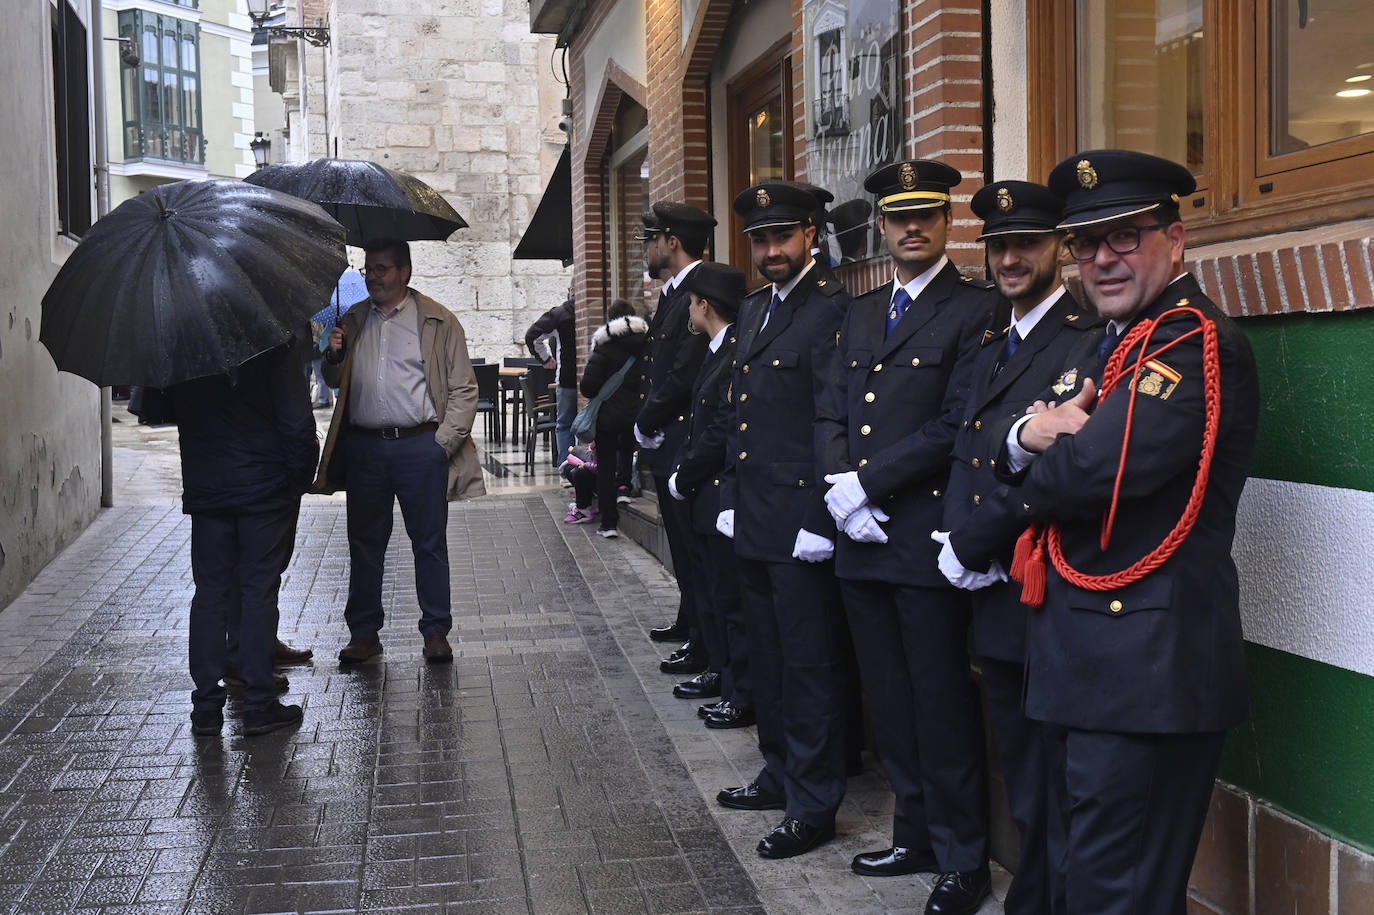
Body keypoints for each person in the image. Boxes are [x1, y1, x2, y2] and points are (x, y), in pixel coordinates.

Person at [939, 150, 1259, 913]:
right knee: (1091, 880)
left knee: (1118, 892)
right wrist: (1030, 432)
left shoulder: (1188, 340)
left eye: (1126, 236)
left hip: (1143, 670)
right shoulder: (1120, 339)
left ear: (1175, 240)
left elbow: (1092, 472)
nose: (1103, 259)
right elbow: (1038, 449)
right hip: (1093, 663)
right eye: (1086, 242)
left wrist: (1040, 443)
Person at [819, 158, 1004, 914]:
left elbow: (955, 419)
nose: (912, 228)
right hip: (861, 538)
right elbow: (829, 409)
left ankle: (964, 855)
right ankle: (916, 831)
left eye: (926, 215)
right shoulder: (861, 312)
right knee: (890, 701)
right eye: (899, 218)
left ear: (947, 221)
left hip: (923, 536)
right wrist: (840, 490)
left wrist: (869, 484)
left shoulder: (976, 308)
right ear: (883, 227)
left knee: (939, 701)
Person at [943, 179, 1101, 915]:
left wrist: (978, 538)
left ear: (1060, 249)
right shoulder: (990, 340)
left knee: (1057, 775)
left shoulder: (1086, 336)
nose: (1009, 258)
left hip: (1046, 587)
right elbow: (966, 448)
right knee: (1023, 767)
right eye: (999, 246)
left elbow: (1060, 467)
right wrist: (958, 539)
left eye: (1026, 244)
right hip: (993, 587)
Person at [714, 181, 852, 860]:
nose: (770, 250)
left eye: (782, 237)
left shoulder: (831, 311)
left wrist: (820, 517)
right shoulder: (753, 310)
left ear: (809, 236)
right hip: (756, 516)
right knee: (766, 658)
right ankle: (780, 769)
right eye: (760, 240)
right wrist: (732, 496)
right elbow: (746, 416)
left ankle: (814, 801)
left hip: (801, 518)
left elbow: (836, 421)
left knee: (809, 665)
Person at [317, 239, 486, 665]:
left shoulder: (437, 320)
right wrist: (333, 354)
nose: (373, 277)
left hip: (420, 446)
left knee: (428, 543)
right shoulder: (352, 320)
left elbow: (464, 387)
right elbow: (335, 378)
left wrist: (441, 444)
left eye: (382, 269)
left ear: (404, 272)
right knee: (365, 544)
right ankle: (364, 634)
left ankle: (435, 630)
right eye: (369, 270)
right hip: (366, 449)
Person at [168, 340, 318, 737]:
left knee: (210, 594)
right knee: (257, 590)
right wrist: (299, 478)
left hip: (208, 487)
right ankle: (258, 703)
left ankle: (205, 708)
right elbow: (297, 423)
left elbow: (162, 409)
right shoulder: (272, 340)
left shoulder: (182, 342)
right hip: (264, 488)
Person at [665, 262, 752, 725]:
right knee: (715, 597)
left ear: (705, 306)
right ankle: (721, 674)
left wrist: (684, 474)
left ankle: (737, 689)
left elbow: (720, 429)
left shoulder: (734, 352)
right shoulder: (717, 349)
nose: (688, 313)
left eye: (692, 304)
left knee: (730, 603)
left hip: (717, 494)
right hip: (705, 496)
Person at [632, 202, 717, 662]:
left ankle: (705, 642)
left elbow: (683, 374)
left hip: (685, 438)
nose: (646, 249)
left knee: (693, 547)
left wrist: (645, 422)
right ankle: (691, 621)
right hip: (669, 438)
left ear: (671, 242)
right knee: (683, 547)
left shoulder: (701, 290)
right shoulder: (673, 293)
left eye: (650, 239)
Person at [580, 299, 650, 538]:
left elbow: (588, 387)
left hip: (609, 416)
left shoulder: (605, 346)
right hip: (639, 413)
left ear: (611, 320)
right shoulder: (647, 344)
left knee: (606, 466)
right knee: (628, 449)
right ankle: (625, 487)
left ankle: (609, 523)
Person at [525, 296, 577, 464]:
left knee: (565, 426)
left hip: (567, 378)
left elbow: (532, 336)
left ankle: (567, 468)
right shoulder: (600, 305)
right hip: (597, 378)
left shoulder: (561, 314)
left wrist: (546, 359)